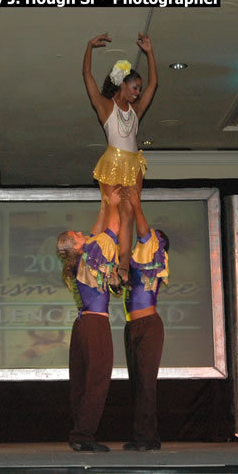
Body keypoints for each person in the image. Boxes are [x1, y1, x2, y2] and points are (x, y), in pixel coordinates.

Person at [83, 32, 158, 287]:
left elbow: (153, 86)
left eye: (139, 88)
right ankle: (103, 258)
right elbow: (88, 78)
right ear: (122, 85)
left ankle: (124, 265)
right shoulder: (106, 107)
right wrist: (89, 48)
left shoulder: (135, 111)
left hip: (134, 164)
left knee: (129, 212)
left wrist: (149, 53)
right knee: (113, 212)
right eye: (134, 87)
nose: (138, 92)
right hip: (113, 161)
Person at [56, 189, 121, 452]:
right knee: (97, 378)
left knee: (82, 381)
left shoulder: (79, 259)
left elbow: (98, 227)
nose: (83, 233)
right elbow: (112, 227)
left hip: (81, 325)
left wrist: (106, 199)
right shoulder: (92, 255)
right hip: (95, 324)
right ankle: (84, 434)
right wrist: (115, 205)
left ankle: (79, 433)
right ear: (76, 245)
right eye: (78, 235)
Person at [122, 187, 169, 451]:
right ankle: (146, 437)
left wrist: (137, 206)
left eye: (153, 238)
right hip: (132, 325)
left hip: (149, 326)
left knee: (146, 383)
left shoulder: (157, 257)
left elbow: (143, 233)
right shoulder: (137, 264)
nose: (147, 239)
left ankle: (146, 438)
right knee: (137, 384)